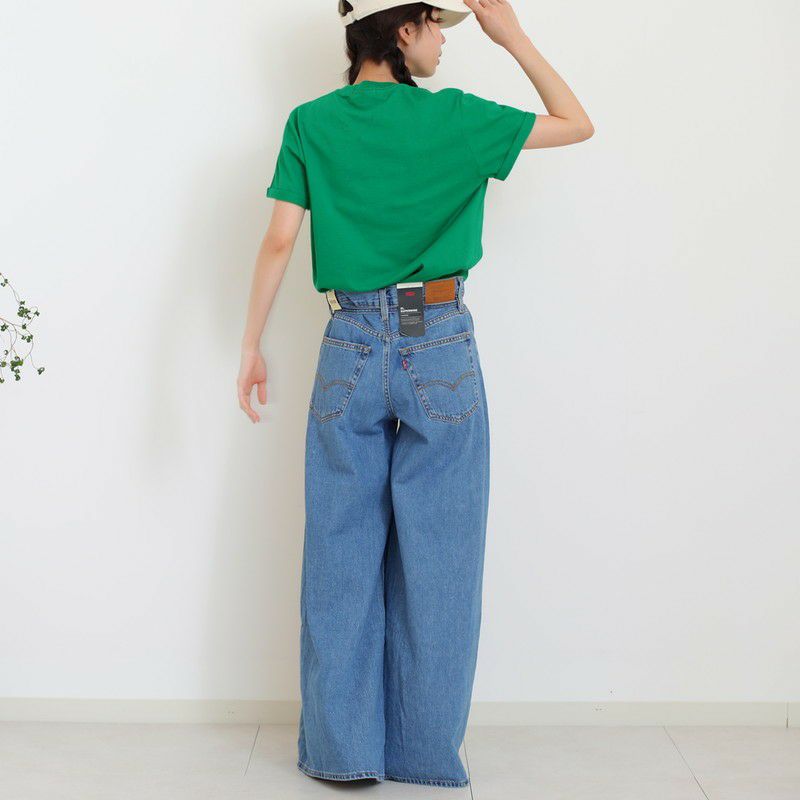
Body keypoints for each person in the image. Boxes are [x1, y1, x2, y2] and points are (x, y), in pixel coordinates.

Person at [237, 0, 593, 788]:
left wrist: (252, 345)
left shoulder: (311, 123)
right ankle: (425, 755)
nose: (443, 44)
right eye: (438, 26)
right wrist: (512, 35)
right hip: (440, 342)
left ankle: (342, 754)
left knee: (339, 555)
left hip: (350, 340)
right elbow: (576, 122)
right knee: (443, 559)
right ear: (405, 30)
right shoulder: (457, 118)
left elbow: (279, 238)